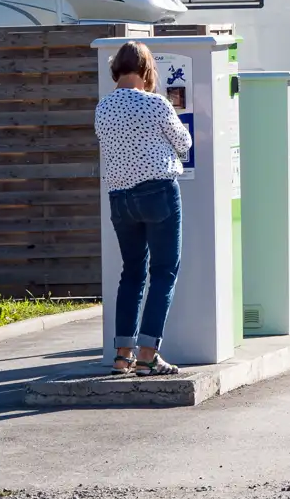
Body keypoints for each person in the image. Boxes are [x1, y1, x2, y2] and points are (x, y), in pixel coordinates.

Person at [97, 41, 191, 376]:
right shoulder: (156, 104)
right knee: (163, 272)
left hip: (119, 198)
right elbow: (184, 143)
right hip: (157, 193)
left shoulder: (103, 108)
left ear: (116, 70)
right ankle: (149, 355)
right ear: (147, 69)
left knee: (132, 273)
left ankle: (122, 356)